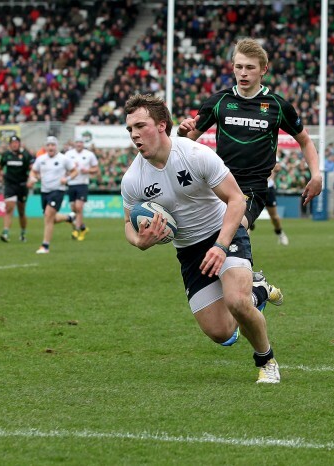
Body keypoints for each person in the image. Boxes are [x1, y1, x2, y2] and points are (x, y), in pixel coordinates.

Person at [121, 94, 283, 384]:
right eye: (130, 129)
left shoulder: (194, 154)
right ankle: (259, 290)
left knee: (236, 301)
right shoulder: (133, 179)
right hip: (189, 251)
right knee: (221, 333)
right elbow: (127, 223)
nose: (134, 135)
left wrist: (221, 246)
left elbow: (236, 200)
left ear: (161, 125)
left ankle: (266, 361)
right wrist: (139, 242)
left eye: (140, 126)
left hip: (225, 232)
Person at [176, 37, 322, 231]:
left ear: (264, 70)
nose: (243, 73)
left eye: (250, 68)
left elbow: (304, 141)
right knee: (208, 241)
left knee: (234, 228)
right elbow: (187, 142)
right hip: (219, 182)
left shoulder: (277, 106)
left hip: (253, 187)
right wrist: (181, 132)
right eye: (239, 67)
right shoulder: (219, 101)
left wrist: (316, 175)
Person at [26, 136, 78, 254]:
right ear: (45, 147)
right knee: (50, 218)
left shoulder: (63, 159)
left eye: (53, 145)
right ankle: (69, 217)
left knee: (48, 216)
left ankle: (45, 246)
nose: (51, 147)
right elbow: (33, 171)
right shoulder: (40, 159)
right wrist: (33, 178)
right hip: (44, 191)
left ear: (56, 146)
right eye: (48, 145)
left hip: (57, 191)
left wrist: (67, 178)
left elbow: (75, 171)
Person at [0, 136, 35, 242]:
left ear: (19, 144)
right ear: (10, 144)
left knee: (21, 211)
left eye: (16, 142)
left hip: (22, 185)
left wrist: (31, 179)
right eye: (12, 143)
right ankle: (5, 233)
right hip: (10, 185)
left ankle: (23, 233)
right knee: (9, 208)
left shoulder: (25, 155)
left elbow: (33, 169)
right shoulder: (6, 155)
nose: (14, 144)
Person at [65, 137, 99, 241]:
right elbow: (63, 167)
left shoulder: (89, 154)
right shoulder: (68, 154)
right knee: (73, 209)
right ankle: (83, 227)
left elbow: (96, 168)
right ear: (74, 144)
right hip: (71, 184)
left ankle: (76, 230)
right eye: (77, 142)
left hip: (82, 184)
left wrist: (87, 170)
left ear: (83, 144)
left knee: (79, 207)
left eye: (81, 142)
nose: (79, 144)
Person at [262, 161, 289, 245]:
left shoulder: (270, 151)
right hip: (253, 188)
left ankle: (279, 232)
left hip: (268, 189)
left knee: (274, 217)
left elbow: (278, 166)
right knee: (246, 217)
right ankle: (244, 244)